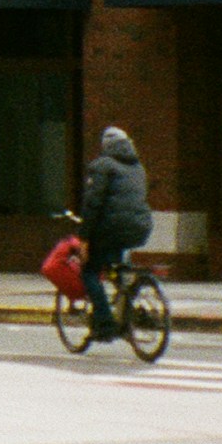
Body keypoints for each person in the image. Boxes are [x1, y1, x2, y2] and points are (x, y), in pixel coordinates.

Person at [76, 125, 154, 343]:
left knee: (89, 272)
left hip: (111, 229)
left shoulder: (102, 166)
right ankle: (126, 311)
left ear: (106, 146)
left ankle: (105, 323)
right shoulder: (138, 167)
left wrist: (83, 238)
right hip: (139, 228)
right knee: (117, 270)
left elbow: (93, 204)